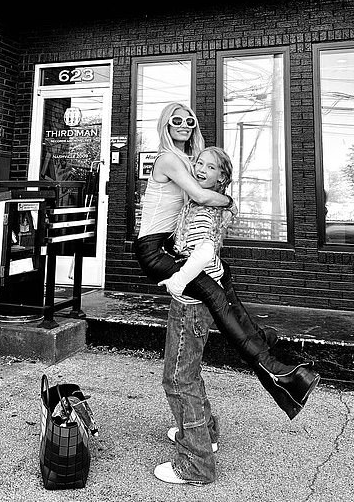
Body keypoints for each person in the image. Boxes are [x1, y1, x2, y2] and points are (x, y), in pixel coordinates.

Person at [134, 103, 320, 425]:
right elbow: (203, 197)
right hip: (154, 250)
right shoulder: (168, 159)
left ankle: (264, 344)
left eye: (189, 120)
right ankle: (275, 367)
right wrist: (229, 201)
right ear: (165, 125)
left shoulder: (189, 162)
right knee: (217, 297)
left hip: (170, 248)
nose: (184, 124)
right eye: (176, 120)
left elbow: (201, 197)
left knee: (225, 282)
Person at [153, 147, 231, 485]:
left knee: (178, 378)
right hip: (201, 298)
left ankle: (196, 465)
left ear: (221, 178)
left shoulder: (202, 207)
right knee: (189, 373)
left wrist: (177, 280)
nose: (200, 169)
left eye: (210, 166)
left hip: (191, 301)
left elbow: (203, 252)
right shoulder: (207, 202)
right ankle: (207, 434)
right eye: (198, 162)